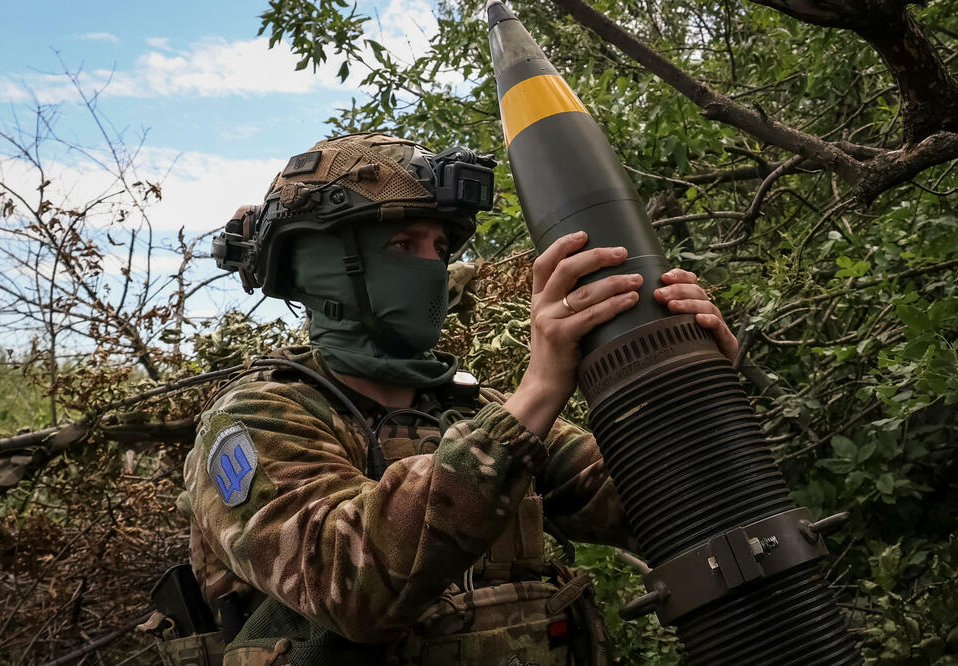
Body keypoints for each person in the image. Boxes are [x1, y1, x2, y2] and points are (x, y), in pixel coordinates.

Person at [175, 133, 737, 665]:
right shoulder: (257, 418)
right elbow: (348, 586)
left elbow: (669, 500)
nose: (431, 267)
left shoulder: (465, 409)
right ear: (315, 265)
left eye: (440, 247)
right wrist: (538, 391)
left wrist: (691, 381)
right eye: (403, 243)